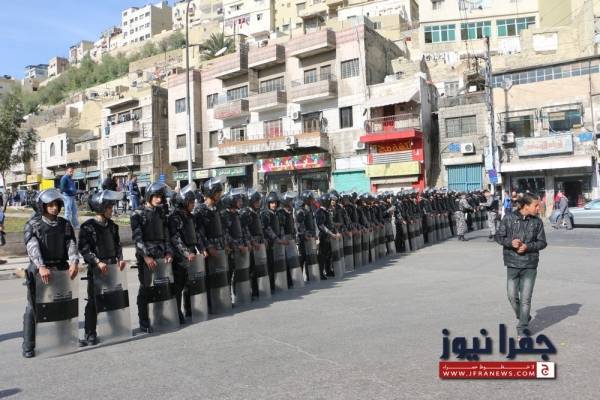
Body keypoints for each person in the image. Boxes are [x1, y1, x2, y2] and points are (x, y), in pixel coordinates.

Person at [22, 189, 79, 358]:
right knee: (33, 308)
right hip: (41, 270)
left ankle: (65, 338)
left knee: (63, 304)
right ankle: (29, 345)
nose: (54, 208)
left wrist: (74, 262)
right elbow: (32, 246)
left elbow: (71, 243)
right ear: (42, 206)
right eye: (50, 205)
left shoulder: (65, 224)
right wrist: (41, 266)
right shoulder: (33, 224)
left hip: (61, 268)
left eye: (57, 204)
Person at [78, 189, 126, 346]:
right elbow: (84, 249)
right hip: (96, 269)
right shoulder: (88, 227)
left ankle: (116, 328)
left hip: (111, 267)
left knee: (113, 298)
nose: (112, 210)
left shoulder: (113, 226)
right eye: (109, 207)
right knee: (93, 301)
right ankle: (90, 333)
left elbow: (117, 245)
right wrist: (97, 262)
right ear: (101, 207)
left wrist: (120, 259)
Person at [495, 193, 547, 337]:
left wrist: (528, 247)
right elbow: (499, 236)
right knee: (512, 296)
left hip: (530, 264)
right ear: (526, 206)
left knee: (525, 298)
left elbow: (542, 242)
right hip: (512, 263)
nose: (538, 208)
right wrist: (510, 243)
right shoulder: (509, 218)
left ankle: (522, 328)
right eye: (536, 206)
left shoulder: (537, 222)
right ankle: (524, 316)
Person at [130, 182, 174, 333]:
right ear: (149, 196)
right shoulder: (137, 213)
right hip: (146, 258)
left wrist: (169, 252)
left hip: (161, 255)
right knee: (146, 289)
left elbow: (166, 234)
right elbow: (137, 238)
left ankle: (159, 317)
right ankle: (144, 321)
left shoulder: (161, 212)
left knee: (161, 287)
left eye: (160, 197)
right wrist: (146, 256)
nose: (159, 199)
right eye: (156, 196)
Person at [168, 183, 206, 323]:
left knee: (191, 283)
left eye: (193, 202)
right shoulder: (175, 217)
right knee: (178, 286)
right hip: (180, 257)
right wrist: (186, 253)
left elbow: (196, 234)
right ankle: (178, 313)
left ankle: (189, 309)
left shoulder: (191, 217)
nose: (193, 204)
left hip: (191, 253)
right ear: (184, 202)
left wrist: (202, 249)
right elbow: (175, 238)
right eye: (191, 202)